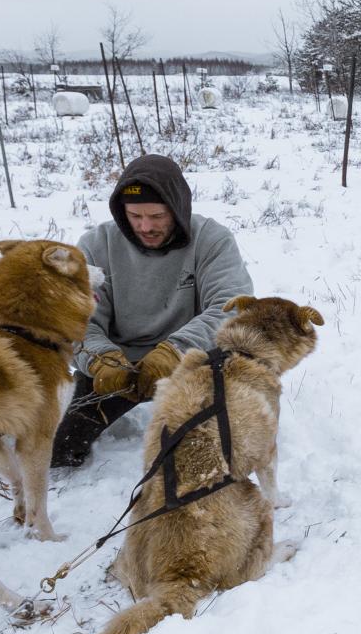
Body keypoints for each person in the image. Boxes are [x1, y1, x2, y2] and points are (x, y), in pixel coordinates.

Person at [50, 154, 254, 469]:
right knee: (60, 451)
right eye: (135, 215)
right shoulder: (96, 245)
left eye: (158, 215)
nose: (146, 226)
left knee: (215, 452)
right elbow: (75, 321)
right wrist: (102, 360)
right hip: (120, 367)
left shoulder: (211, 240)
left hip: (193, 361)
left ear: (178, 208)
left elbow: (232, 307)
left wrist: (174, 351)